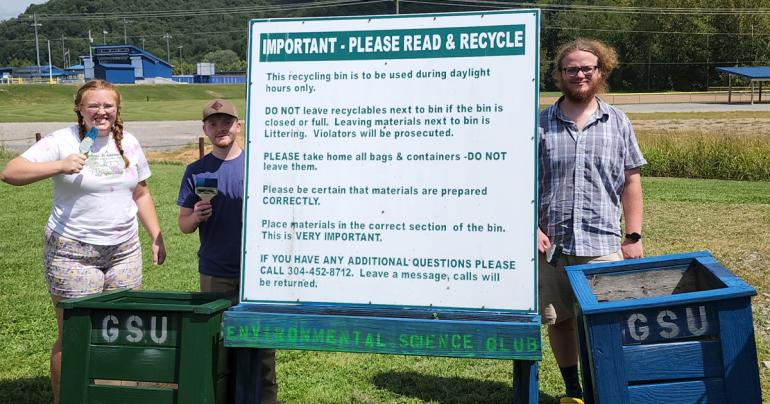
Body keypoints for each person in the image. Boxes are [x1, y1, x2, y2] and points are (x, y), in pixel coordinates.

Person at [0, 79, 166, 404]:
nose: (101, 111)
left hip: (124, 251)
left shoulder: (128, 142)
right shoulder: (62, 140)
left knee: (117, 334)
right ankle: (67, 397)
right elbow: (11, 172)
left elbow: (141, 192)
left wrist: (156, 236)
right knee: (74, 336)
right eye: (94, 105)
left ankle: (111, 395)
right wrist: (60, 165)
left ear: (117, 109)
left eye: (108, 106)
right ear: (80, 108)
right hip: (73, 252)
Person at [538, 38, 646, 404]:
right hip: (551, 246)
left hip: (601, 244)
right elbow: (521, 182)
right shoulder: (540, 125)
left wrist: (632, 234)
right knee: (560, 320)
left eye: (588, 68)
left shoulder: (617, 122)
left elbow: (631, 180)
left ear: (601, 71)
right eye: (572, 69)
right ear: (560, 75)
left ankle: (606, 389)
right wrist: (531, 227)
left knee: (603, 323)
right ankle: (573, 390)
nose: (580, 74)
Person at [176, 99, 278, 404]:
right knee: (217, 346)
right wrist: (195, 216)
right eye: (213, 123)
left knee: (261, 347)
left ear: (238, 125)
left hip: (256, 274)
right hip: (215, 271)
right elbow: (183, 224)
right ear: (205, 129)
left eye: (226, 122)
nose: (220, 128)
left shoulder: (259, 166)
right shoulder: (196, 171)